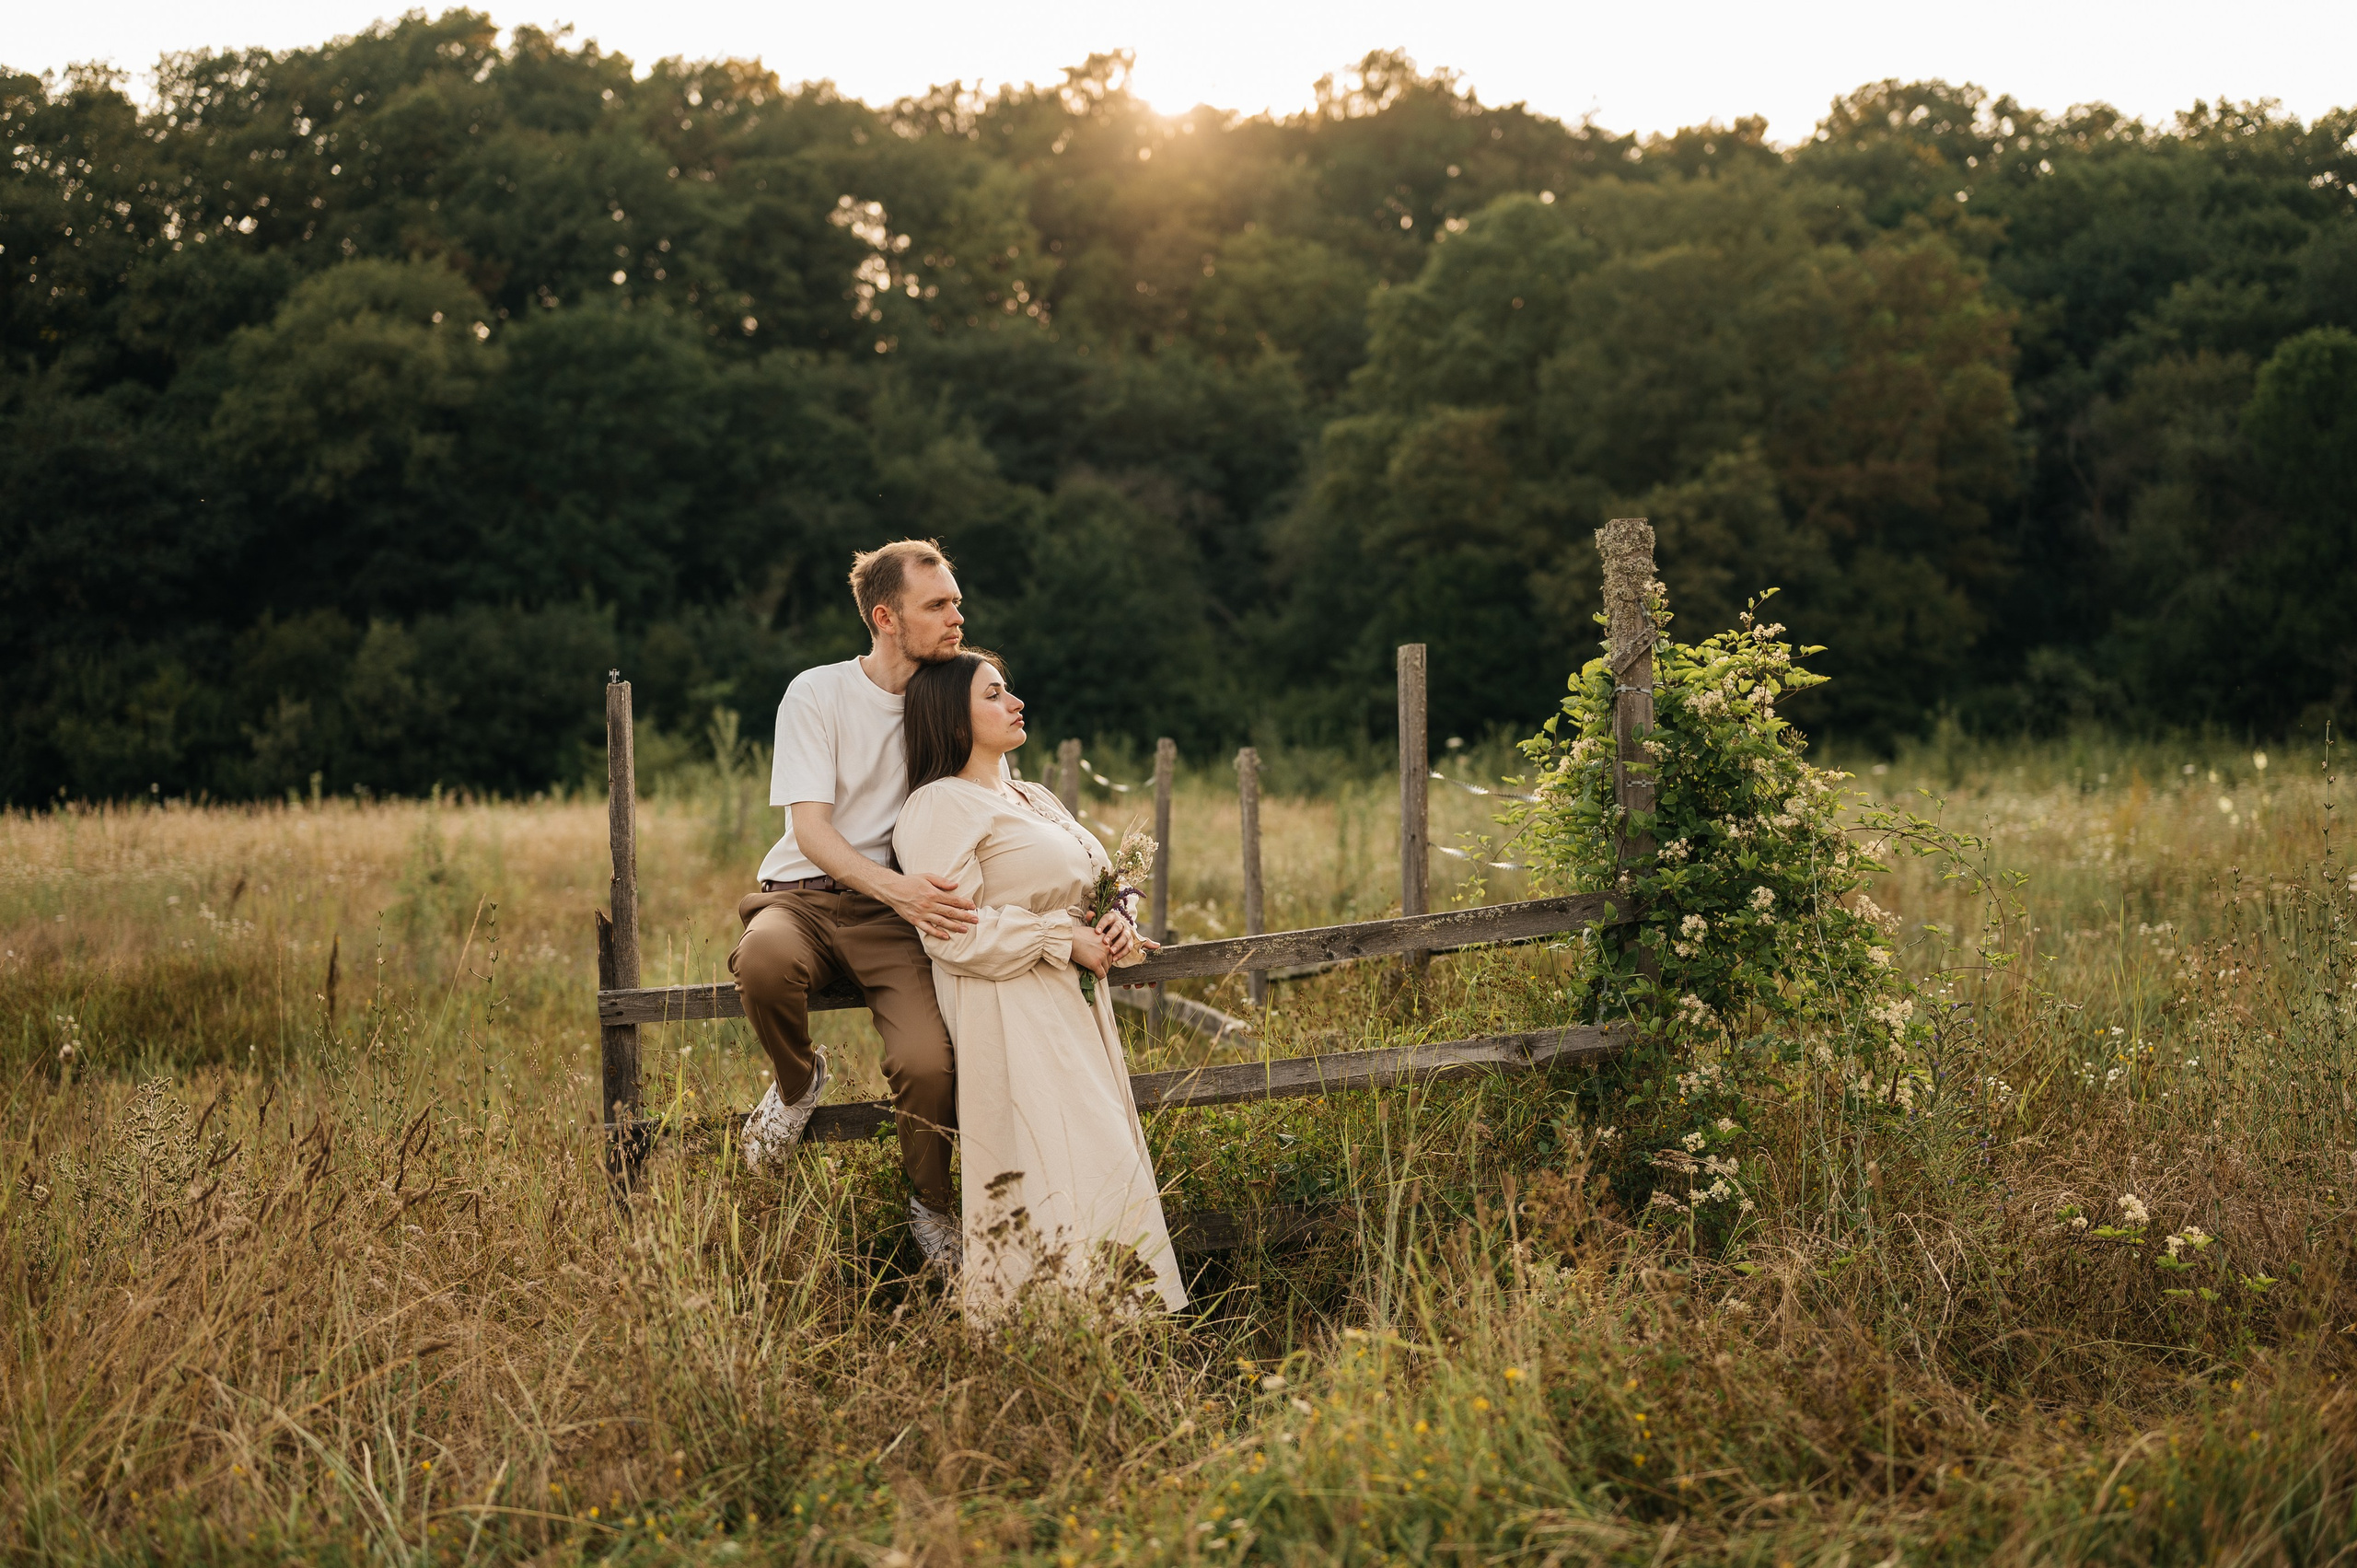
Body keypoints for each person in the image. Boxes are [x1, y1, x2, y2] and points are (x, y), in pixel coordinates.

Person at [890, 650, 1188, 1316]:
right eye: (994, 695)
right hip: (1013, 1014)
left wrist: (1116, 920)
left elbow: (1084, 881)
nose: (1015, 702)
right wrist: (1059, 938)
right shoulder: (938, 806)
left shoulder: (1033, 797)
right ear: (951, 718)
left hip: (1074, 1012)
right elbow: (948, 932)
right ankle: (1047, 1339)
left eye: (1009, 690)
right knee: (1058, 1164)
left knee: (1101, 1164)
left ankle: (1121, 1325)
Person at [729, 539, 980, 1272]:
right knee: (765, 961)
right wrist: (897, 885)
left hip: (897, 919)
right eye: (938, 605)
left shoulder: (954, 696)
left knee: (928, 1062)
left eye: (957, 601)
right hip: (803, 896)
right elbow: (810, 827)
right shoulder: (818, 691)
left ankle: (931, 1208)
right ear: (886, 616)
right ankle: (798, 1084)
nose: (956, 615)